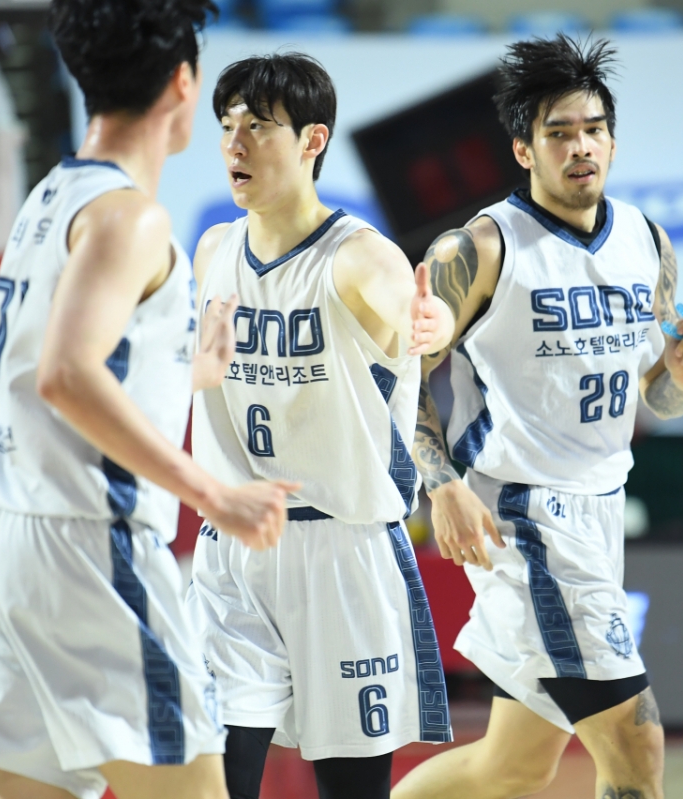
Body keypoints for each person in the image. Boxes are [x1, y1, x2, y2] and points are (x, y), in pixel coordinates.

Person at [0, 3, 298, 798]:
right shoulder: (132, 215)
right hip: (87, 548)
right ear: (183, 82)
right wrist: (212, 491)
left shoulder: (50, 197)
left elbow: (57, 372)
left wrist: (187, 368)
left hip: (2, 542)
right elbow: (67, 374)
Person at [391, 36, 683, 799]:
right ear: (522, 148)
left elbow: (653, 398)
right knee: (637, 753)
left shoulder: (647, 242)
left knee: (507, 770)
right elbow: (400, 378)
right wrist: (440, 486)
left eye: (594, 128)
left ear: (613, 138)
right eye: (559, 132)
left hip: (601, 514)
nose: (581, 147)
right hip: (531, 517)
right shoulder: (479, 247)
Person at [185, 53, 456, 799]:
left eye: (259, 127)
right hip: (231, 547)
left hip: (340, 549)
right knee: (210, 776)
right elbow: (201, 384)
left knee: (349, 789)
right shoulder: (212, 251)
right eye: (228, 124)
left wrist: (437, 327)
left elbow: (418, 343)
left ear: (312, 140)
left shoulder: (362, 261)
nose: (235, 144)